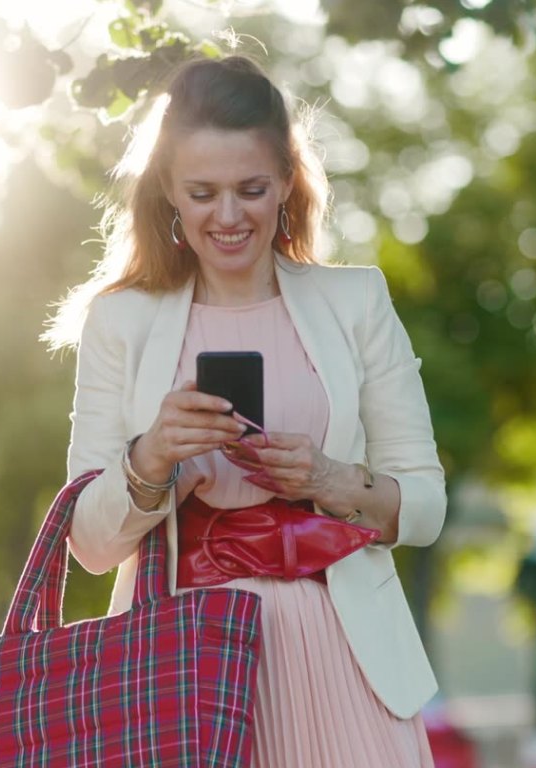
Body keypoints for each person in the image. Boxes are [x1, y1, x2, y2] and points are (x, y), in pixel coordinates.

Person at [49, 55, 446, 768]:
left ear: (288, 183)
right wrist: (151, 457)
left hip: (345, 659)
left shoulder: (357, 301)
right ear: (168, 190)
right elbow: (90, 543)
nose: (227, 217)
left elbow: (423, 504)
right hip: (181, 665)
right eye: (202, 192)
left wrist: (329, 479)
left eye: (251, 189)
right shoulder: (120, 323)